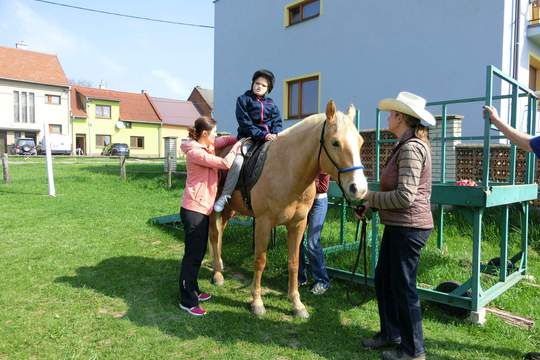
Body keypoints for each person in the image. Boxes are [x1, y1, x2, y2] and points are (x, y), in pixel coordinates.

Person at [359, 92, 435, 360]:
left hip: (409, 228)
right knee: (385, 280)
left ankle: (414, 351)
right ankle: (392, 334)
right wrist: (372, 206)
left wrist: (369, 197)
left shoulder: (412, 148)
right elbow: (397, 192)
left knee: (403, 286)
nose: (388, 117)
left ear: (401, 117)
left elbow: (405, 196)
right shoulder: (405, 144)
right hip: (400, 225)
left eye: (392, 114)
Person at [179, 116, 241, 316]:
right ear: (204, 134)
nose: (216, 135)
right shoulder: (196, 153)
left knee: (198, 254)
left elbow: (222, 142)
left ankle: (194, 289)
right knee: (192, 256)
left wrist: (236, 137)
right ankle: (187, 300)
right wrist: (238, 148)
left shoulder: (206, 146)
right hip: (194, 210)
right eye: (214, 132)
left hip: (202, 208)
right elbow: (224, 163)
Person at [213, 69, 283, 212]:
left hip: (270, 139)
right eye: (257, 83)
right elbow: (245, 123)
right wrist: (263, 135)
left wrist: (275, 133)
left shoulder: (272, 104)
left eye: (263, 85)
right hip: (249, 139)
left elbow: (277, 121)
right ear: (252, 83)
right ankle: (225, 195)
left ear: (268, 89)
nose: (259, 86)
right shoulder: (243, 100)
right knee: (238, 162)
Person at [298, 172, 331, 295]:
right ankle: (299, 277)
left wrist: (303, 181)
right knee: (296, 240)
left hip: (318, 202)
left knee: (313, 242)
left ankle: (322, 281)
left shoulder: (322, 162)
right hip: (302, 201)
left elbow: (323, 187)